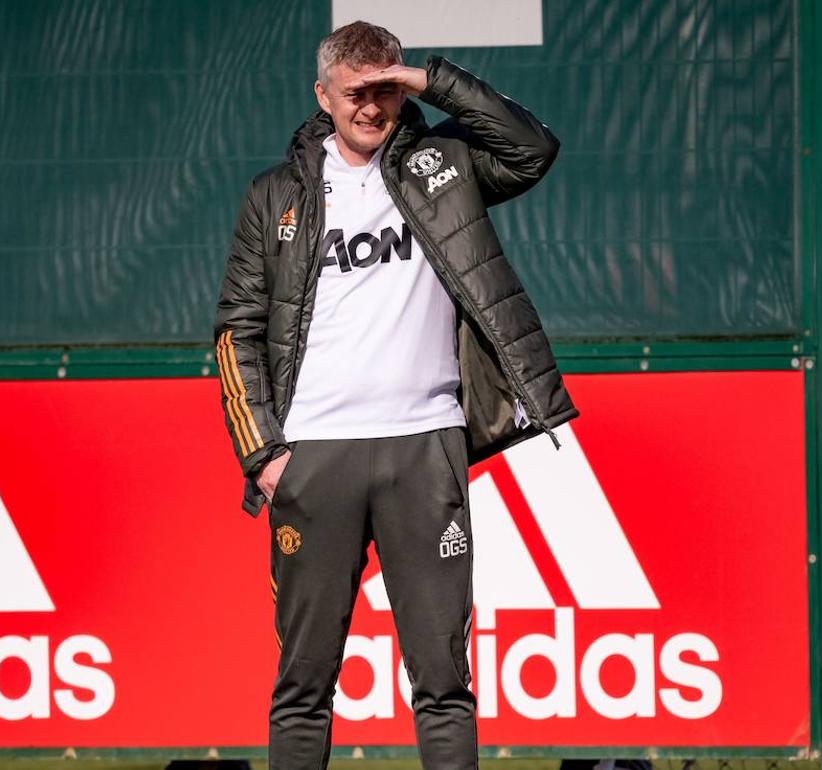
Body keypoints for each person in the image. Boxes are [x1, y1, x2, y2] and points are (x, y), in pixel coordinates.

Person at [213, 20, 578, 770]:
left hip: (425, 448)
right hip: (314, 457)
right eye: (354, 93)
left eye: (384, 90)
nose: (370, 107)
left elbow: (533, 149)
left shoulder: (443, 164)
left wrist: (428, 81)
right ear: (323, 96)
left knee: (444, 681)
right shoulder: (274, 195)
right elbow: (235, 331)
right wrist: (264, 455)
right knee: (303, 684)